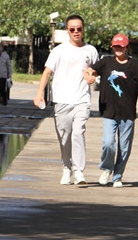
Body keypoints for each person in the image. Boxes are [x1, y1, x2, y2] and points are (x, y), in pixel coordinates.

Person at [33, 14, 99, 185]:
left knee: (78, 133)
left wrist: (92, 76)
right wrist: (39, 94)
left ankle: (79, 171)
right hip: (62, 100)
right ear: (67, 31)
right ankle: (66, 167)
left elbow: (95, 70)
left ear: (83, 30)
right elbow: (47, 72)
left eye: (79, 28)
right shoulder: (59, 51)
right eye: (72, 29)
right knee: (64, 137)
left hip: (82, 99)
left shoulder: (91, 50)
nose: (76, 31)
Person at [84, 34, 138, 188]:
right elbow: (90, 70)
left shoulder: (134, 65)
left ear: (127, 48)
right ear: (112, 47)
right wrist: (89, 76)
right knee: (108, 143)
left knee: (124, 147)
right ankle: (107, 168)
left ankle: (117, 176)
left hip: (127, 112)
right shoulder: (106, 62)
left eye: (121, 46)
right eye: (116, 46)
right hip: (109, 110)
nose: (118, 49)